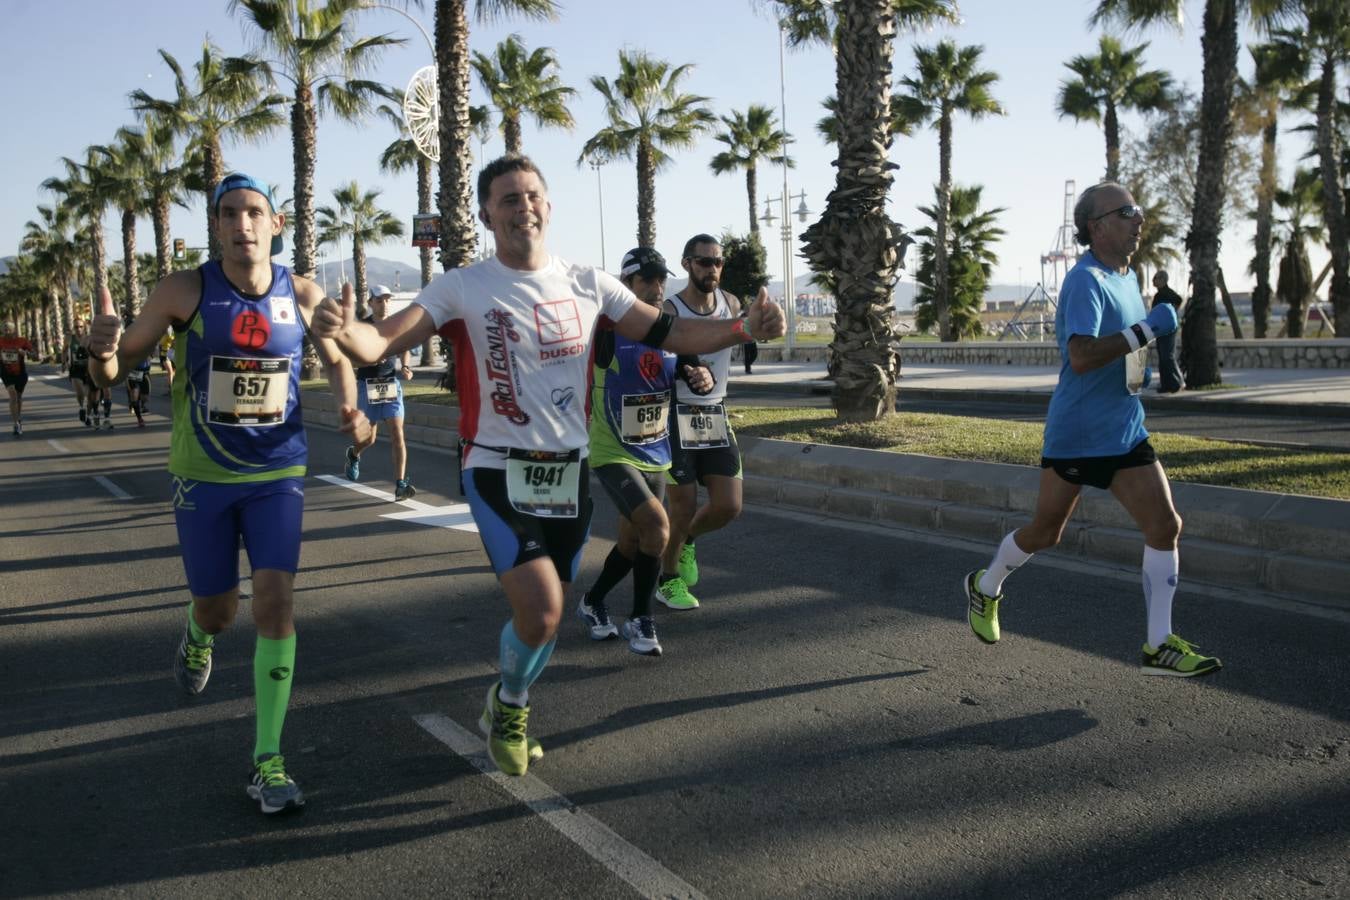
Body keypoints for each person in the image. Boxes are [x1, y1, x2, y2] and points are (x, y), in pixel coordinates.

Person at [311, 154, 784, 776]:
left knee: (547, 616)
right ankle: (510, 705)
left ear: (549, 207)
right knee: (541, 609)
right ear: (485, 214)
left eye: (532, 194)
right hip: (494, 469)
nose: (522, 206)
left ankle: (509, 696)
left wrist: (741, 329)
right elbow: (382, 341)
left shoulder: (589, 283)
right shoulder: (461, 285)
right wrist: (346, 333)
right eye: (507, 198)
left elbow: (669, 333)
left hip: (568, 474)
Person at [86, 172, 371, 814]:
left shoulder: (301, 293)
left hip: (277, 475)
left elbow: (336, 359)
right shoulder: (183, 292)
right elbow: (114, 371)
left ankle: (267, 759)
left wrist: (353, 411)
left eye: (255, 214)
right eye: (230, 214)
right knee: (220, 609)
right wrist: (101, 354)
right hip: (204, 478)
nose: (243, 224)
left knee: (275, 602)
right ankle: (197, 633)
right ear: (216, 227)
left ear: (275, 226)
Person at [963, 182, 1221, 678]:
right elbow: (1080, 356)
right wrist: (1149, 329)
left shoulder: (1127, 277)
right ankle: (986, 584)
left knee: (1165, 526)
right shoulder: (1085, 282)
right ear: (1096, 226)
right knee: (1046, 532)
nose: (1138, 219)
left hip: (1124, 428)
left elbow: (1124, 351)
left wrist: (1147, 346)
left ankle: (1158, 645)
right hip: (1079, 433)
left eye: (1138, 210)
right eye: (1128, 212)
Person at [577, 247, 714, 657]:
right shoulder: (602, 328)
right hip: (611, 450)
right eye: (646, 280)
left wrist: (700, 374)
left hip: (655, 453)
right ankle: (641, 618)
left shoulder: (670, 329)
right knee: (658, 527)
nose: (657, 288)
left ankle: (593, 601)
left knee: (633, 544)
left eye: (660, 280)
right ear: (626, 285)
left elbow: (694, 366)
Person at [655, 234, 747, 612]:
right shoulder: (670, 309)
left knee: (728, 505)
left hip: (714, 413)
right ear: (687, 264)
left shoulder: (732, 304)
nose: (712, 269)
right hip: (676, 414)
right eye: (704, 261)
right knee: (683, 504)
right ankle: (668, 580)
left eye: (718, 262)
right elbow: (664, 357)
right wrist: (691, 368)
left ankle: (688, 539)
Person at [343, 285, 417, 500]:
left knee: (397, 434)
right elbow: (351, 359)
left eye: (387, 300)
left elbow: (405, 347)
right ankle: (354, 453)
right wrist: (372, 359)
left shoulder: (396, 325)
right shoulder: (362, 327)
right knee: (369, 439)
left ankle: (400, 483)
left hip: (390, 383)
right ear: (370, 303)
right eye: (379, 300)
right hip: (368, 385)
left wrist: (405, 366)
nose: (384, 304)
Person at [1151, 270, 1184, 394]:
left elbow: (1179, 300)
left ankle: (1175, 383)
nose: (1153, 280)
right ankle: (1166, 384)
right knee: (1163, 356)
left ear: (1163, 279)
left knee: (1167, 356)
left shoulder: (1167, 293)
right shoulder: (1158, 295)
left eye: (1156, 278)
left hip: (1168, 329)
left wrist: (1171, 314)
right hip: (1161, 329)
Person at [0, 320, 35, 437]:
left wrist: (24, 352)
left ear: (14, 330)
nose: (7, 331)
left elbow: (34, 354)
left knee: (18, 397)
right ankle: (15, 423)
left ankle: (18, 418)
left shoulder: (22, 340)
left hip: (20, 372)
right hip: (5, 371)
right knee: (12, 395)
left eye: (9, 329)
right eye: (4, 329)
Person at [65, 320, 93, 424]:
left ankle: (88, 416)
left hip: (89, 369)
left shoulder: (89, 338)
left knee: (90, 395)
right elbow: (64, 350)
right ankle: (82, 408)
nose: (78, 329)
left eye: (81, 327)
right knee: (80, 392)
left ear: (84, 327)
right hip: (75, 369)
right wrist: (64, 362)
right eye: (76, 327)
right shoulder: (70, 338)